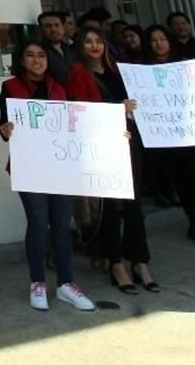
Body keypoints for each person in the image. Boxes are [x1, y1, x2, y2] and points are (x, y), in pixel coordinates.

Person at [0, 38, 95, 311]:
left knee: (63, 225)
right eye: (30, 55)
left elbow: (83, 119)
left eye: (41, 55)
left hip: (61, 165)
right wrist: (4, 130)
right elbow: (3, 124)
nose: (37, 60)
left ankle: (66, 284)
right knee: (38, 223)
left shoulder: (62, 86)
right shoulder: (10, 87)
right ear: (21, 59)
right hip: (30, 165)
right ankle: (37, 282)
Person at [67, 28, 158, 295]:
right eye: (88, 41)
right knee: (107, 206)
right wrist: (119, 109)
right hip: (101, 146)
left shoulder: (119, 71)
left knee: (134, 204)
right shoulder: (78, 74)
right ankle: (116, 264)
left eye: (98, 41)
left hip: (129, 141)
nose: (94, 45)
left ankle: (140, 262)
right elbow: (81, 110)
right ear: (81, 47)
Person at [140, 25, 181, 207]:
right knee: (164, 161)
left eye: (162, 39)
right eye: (154, 40)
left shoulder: (183, 63)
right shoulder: (142, 69)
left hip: (184, 123)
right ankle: (166, 192)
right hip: (159, 126)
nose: (159, 43)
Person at [39, 11, 77, 86]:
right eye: (48, 26)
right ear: (41, 29)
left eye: (57, 25)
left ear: (63, 27)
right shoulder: (38, 52)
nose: (53, 29)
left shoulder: (71, 49)